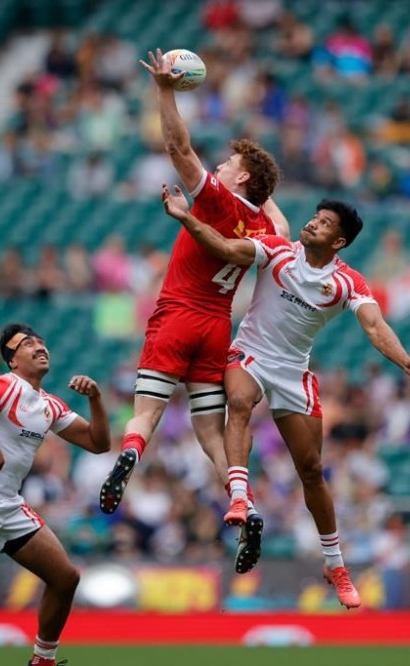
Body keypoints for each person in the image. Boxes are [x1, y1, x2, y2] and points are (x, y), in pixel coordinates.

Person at [161, 185, 410, 607]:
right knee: (237, 403)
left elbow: (374, 326)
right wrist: (185, 217)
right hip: (250, 353)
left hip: (293, 372)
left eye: (325, 223)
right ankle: (239, 495)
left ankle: (335, 562)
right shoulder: (276, 251)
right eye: (315, 216)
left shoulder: (346, 282)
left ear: (339, 241)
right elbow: (222, 246)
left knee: (311, 470)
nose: (313, 222)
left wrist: (404, 360)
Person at [99, 48, 290, 535]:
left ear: (241, 179)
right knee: (209, 432)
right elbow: (284, 233)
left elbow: (179, 149)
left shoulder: (220, 202)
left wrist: (164, 92)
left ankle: (127, 459)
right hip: (215, 328)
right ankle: (242, 501)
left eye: (230, 162)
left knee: (147, 411)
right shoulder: (265, 232)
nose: (221, 166)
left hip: (178, 315)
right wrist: (264, 194)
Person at [0, 324, 109, 666]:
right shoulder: (2, 386)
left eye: (41, 342)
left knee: (66, 577)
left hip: (9, 503)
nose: (39, 347)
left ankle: (43, 659)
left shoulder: (49, 405)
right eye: (27, 344)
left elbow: (98, 443)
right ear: (12, 361)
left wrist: (95, 399)